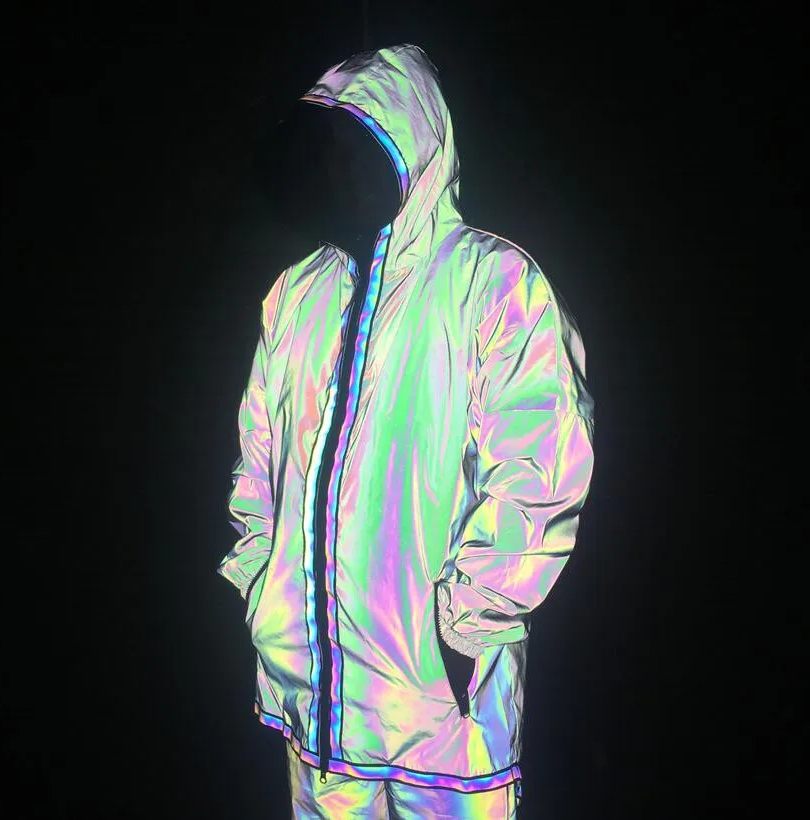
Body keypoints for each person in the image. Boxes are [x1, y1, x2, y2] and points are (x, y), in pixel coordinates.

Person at [218, 44, 595, 818]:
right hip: (315, 702)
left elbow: (542, 472)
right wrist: (261, 585)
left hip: (442, 716)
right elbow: (256, 459)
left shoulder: (493, 282)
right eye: (327, 148)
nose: (339, 168)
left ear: (412, 146)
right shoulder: (296, 292)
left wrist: (467, 627)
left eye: (359, 146)